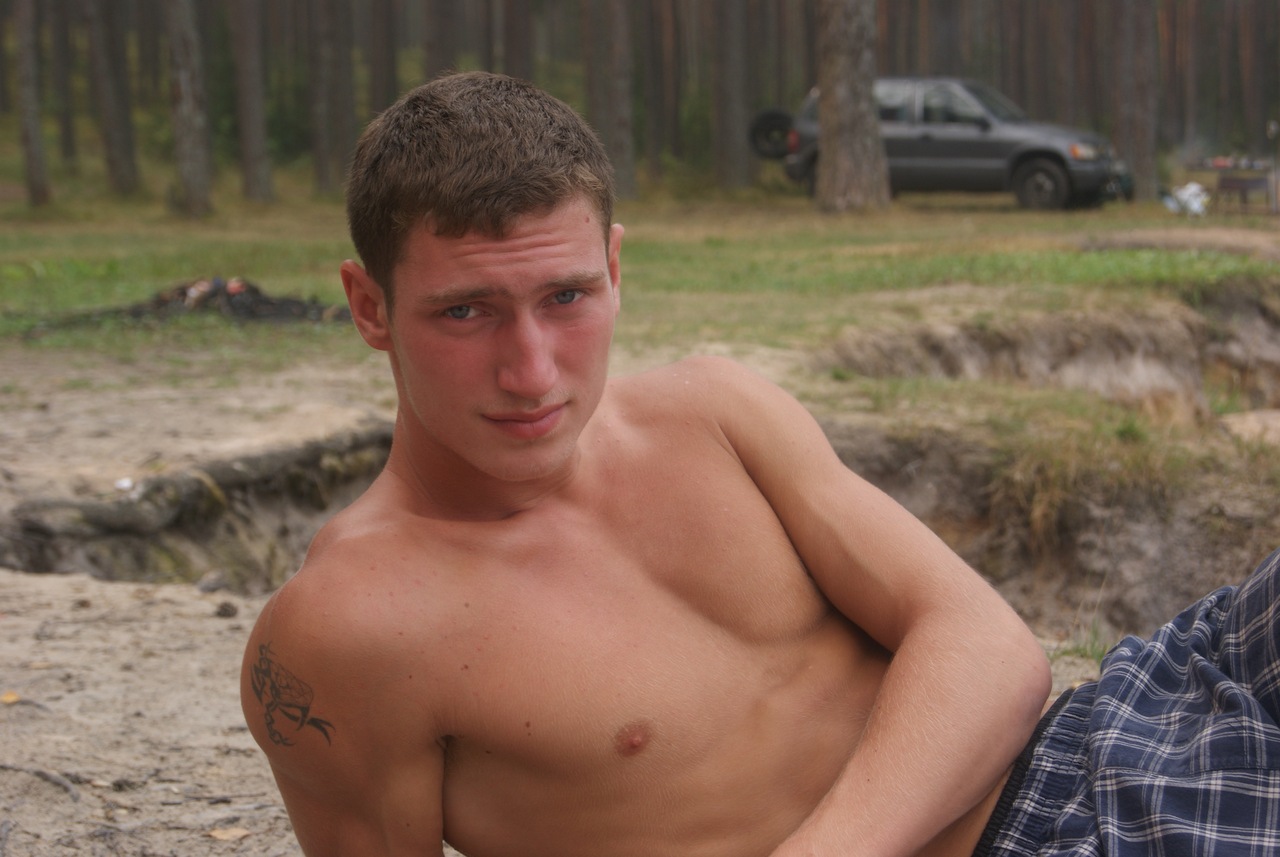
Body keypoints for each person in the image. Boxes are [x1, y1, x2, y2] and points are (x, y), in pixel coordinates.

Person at [240, 71, 1280, 857]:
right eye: (466, 311)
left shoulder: (710, 411)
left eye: (566, 297)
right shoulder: (350, 629)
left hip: (1130, 705)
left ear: (614, 265)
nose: (532, 370)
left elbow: (991, 648)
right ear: (369, 305)